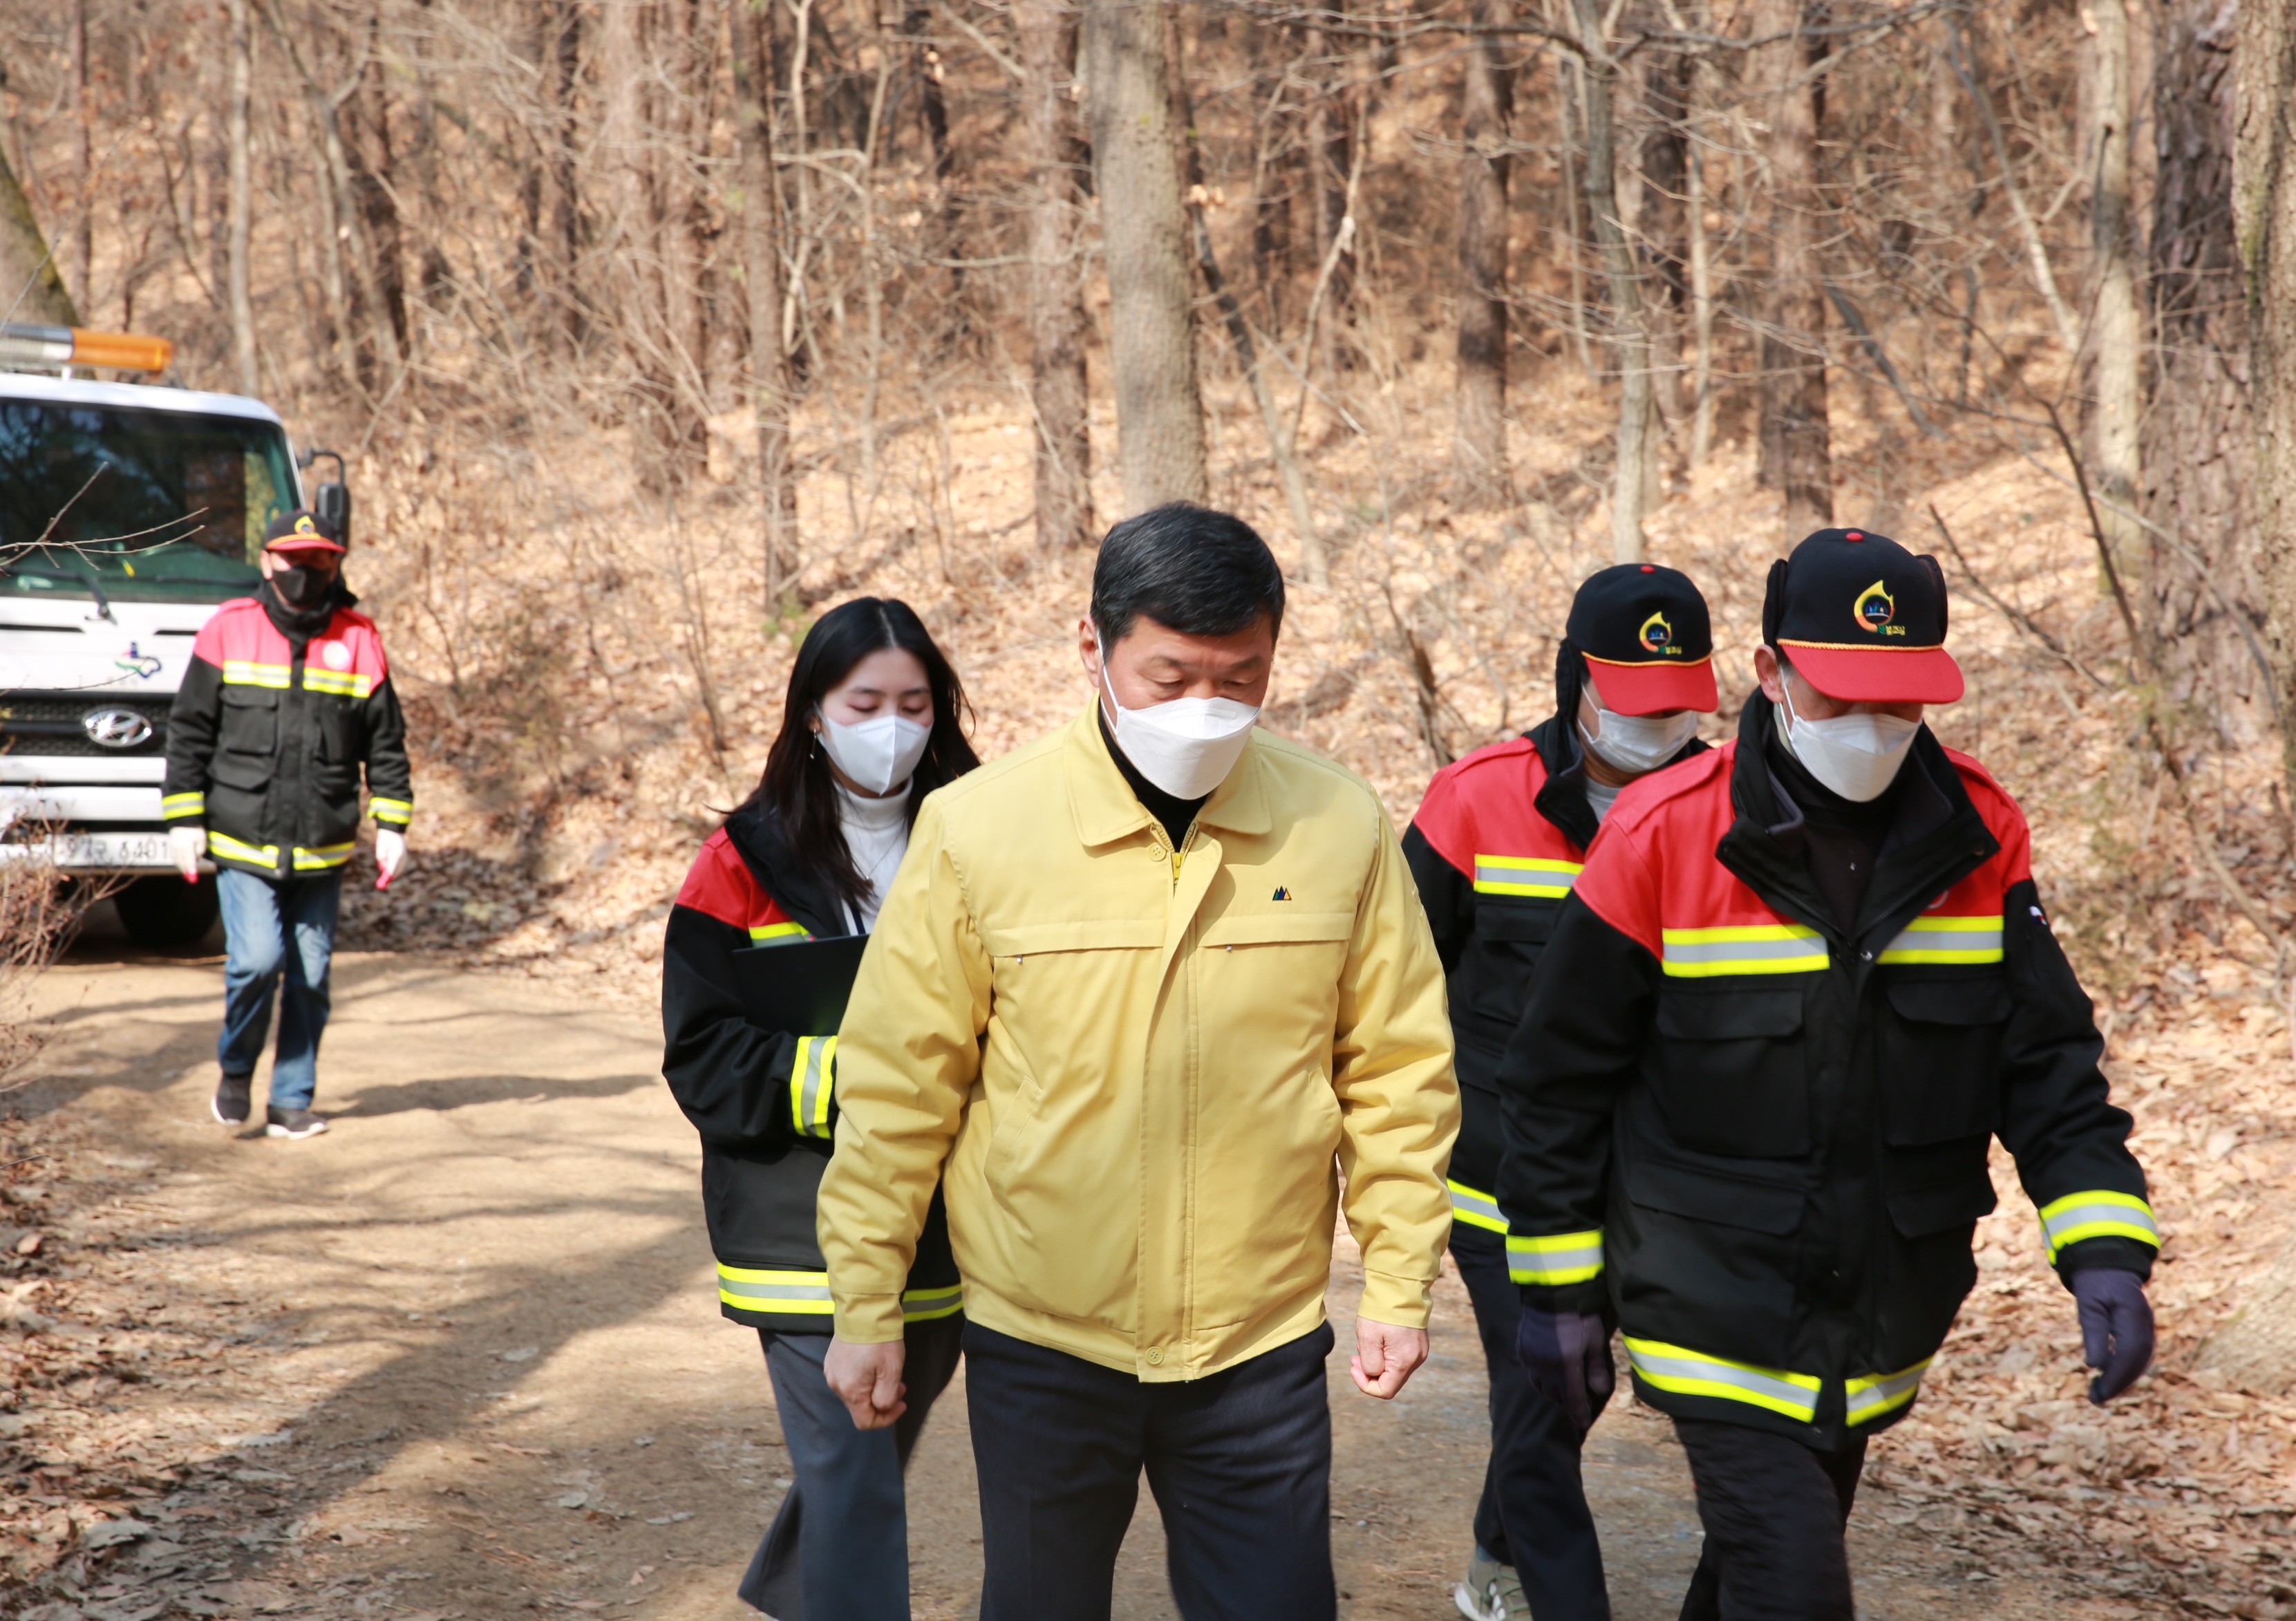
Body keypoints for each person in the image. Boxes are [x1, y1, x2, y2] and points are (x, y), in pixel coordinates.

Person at [1495, 528, 2159, 1619]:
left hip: (1877, 1311)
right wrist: (1557, 1291)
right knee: (1797, 1586)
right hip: (1701, 1291)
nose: (1872, 728)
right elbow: (1556, 1077)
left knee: (1752, 1573)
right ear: (1770, 673)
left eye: (1900, 703)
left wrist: (2102, 1248)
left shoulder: (1978, 834)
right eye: (1842, 695)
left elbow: (2043, 1065)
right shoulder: (1665, 833)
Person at [814, 504, 1460, 1621]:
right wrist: (866, 1301)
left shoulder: (1337, 824)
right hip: (1042, 1340)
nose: (1205, 707)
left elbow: (1398, 1072)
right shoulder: (979, 832)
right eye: (1170, 676)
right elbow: (897, 1088)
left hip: (1255, 1346)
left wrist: (1399, 1278)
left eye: (1240, 676)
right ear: (1092, 649)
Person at [1404, 563, 1719, 1621]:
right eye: (1633, 704)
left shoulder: (1728, 813)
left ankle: (1496, 1541)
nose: (1655, 727)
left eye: (1676, 706)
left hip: (1655, 1188)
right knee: (1547, 1390)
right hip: (1501, 1177)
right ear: (1572, 683)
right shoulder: (1475, 797)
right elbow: (1391, 978)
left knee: (1565, 1399)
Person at [659, 597, 977, 1621]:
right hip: (797, 1227)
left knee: (867, 1451)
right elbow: (702, 1058)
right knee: (854, 1468)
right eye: (866, 701)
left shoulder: (985, 834)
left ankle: (797, 1587)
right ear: (812, 711)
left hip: (950, 1224)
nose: (893, 725)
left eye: (915, 702)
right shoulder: (740, 863)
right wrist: (864, 1077)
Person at [162, 508, 411, 1140]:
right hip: (243, 835)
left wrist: (392, 822)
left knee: (311, 974)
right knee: (256, 960)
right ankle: (237, 1070)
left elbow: (385, 745)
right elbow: (190, 729)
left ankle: (291, 1099)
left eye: (319, 560)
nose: (305, 572)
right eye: (292, 559)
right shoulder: (228, 629)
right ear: (267, 560)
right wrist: (183, 818)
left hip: (323, 844)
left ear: (337, 563)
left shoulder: (360, 638)